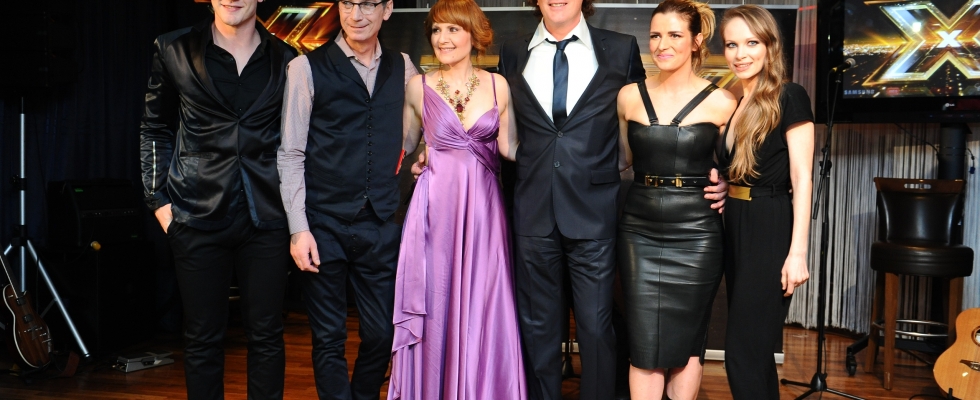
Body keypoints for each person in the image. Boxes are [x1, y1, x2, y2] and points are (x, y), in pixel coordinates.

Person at [496, 1, 728, 399]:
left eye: (673, 35)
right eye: (658, 35)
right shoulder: (513, 51)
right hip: (532, 209)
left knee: (597, 326)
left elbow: (642, 130)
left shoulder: (620, 49)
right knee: (537, 327)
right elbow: (502, 125)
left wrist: (717, 176)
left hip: (596, 211)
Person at [138, 0, 296, 398]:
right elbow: (154, 127)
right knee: (202, 339)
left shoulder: (287, 58)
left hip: (267, 214)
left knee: (267, 336)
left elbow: (296, 140)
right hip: (195, 212)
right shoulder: (172, 48)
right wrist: (159, 202)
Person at [276, 0, 418, 398]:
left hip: (381, 223)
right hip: (323, 224)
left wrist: (419, 156)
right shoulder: (304, 68)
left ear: (387, 9)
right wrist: (298, 229)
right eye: (348, 4)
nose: (357, 15)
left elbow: (414, 136)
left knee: (382, 334)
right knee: (328, 338)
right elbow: (290, 153)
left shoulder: (404, 67)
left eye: (368, 4)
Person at [387, 1, 525, 398]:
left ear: (474, 34)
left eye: (453, 29)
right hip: (434, 212)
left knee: (484, 301)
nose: (442, 39)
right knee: (435, 300)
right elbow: (405, 145)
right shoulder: (419, 87)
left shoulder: (498, 86)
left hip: (483, 213)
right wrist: (418, 157)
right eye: (436, 30)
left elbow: (511, 149)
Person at [615, 1, 738, 399]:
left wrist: (727, 185)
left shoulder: (724, 102)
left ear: (696, 41)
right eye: (655, 35)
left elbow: (736, 167)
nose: (662, 44)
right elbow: (623, 160)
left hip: (698, 235)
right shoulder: (628, 97)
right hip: (639, 231)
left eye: (674, 35)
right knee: (643, 345)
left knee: (687, 345)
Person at [717, 5, 813, 399]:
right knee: (754, 353)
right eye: (731, 45)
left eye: (751, 43)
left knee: (743, 353)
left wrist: (798, 253)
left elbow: (801, 178)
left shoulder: (789, 96)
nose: (740, 54)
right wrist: (723, 185)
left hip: (769, 225)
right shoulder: (734, 101)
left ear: (770, 46)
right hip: (736, 224)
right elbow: (737, 170)